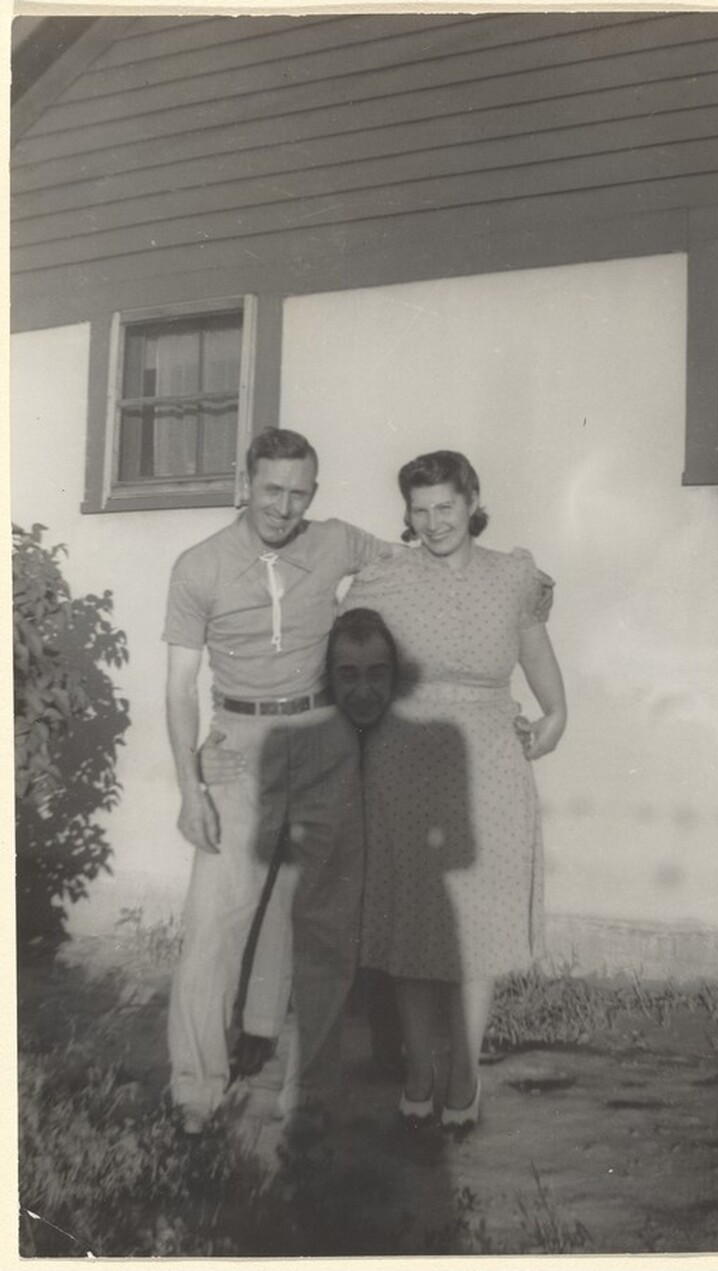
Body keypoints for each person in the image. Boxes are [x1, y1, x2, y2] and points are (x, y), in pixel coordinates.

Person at [163, 427, 397, 1133]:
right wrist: (189, 787)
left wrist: (515, 571)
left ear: (313, 494)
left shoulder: (333, 542)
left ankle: (305, 1096)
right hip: (239, 747)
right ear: (247, 483)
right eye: (271, 489)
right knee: (215, 924)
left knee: (317, 926)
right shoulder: (199, 565)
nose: (283, 506)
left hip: (321, 739)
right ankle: (195, 1093)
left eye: (298, 493)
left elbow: (421, 564)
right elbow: (178, 688)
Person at [342, 449, 567, 1130]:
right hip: (401, 759)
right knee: (413, 922)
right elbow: (341, 653)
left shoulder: (511, 575)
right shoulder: (384, 577)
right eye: (420, 509)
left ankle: (464, 1073)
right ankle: (417, 1065)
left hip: (489, 764)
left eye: (446, 506)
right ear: (405, 514)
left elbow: (535, 658)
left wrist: (553, 717)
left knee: (477, 927)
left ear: (472, 501)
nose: (434, 521)